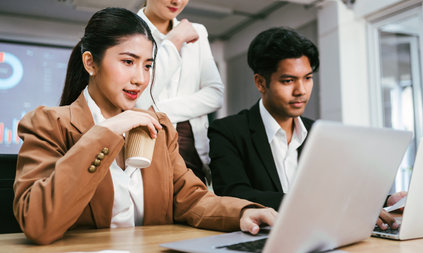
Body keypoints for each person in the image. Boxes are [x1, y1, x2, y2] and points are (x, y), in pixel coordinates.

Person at [13, 8, 275, 245]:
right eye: (128, 62)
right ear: (90, 62)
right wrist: (105, 133)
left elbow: (192, 200)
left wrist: (244, 213)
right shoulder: (48, 124)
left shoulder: (158, 128)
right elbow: (38, 224)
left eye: (148, 65)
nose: (140, 79)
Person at [208, 27, 404, 231]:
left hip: (319, 234)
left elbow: (340, 191)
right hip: (262, 239)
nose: (301, 91)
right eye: (288, 80)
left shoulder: (318, 132)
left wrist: (387, 201)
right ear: (261, 83)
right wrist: (322, 205)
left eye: (308, 78)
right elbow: (233, 195)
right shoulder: (227, 131)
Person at [135, 0, 223, 184]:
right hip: (147, 148)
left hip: (192, 153)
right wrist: (174, 41)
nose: (177, 1)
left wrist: (156, 111)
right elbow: (138, 99)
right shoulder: (126, 31)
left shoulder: (197, 32)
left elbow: (215, 95)